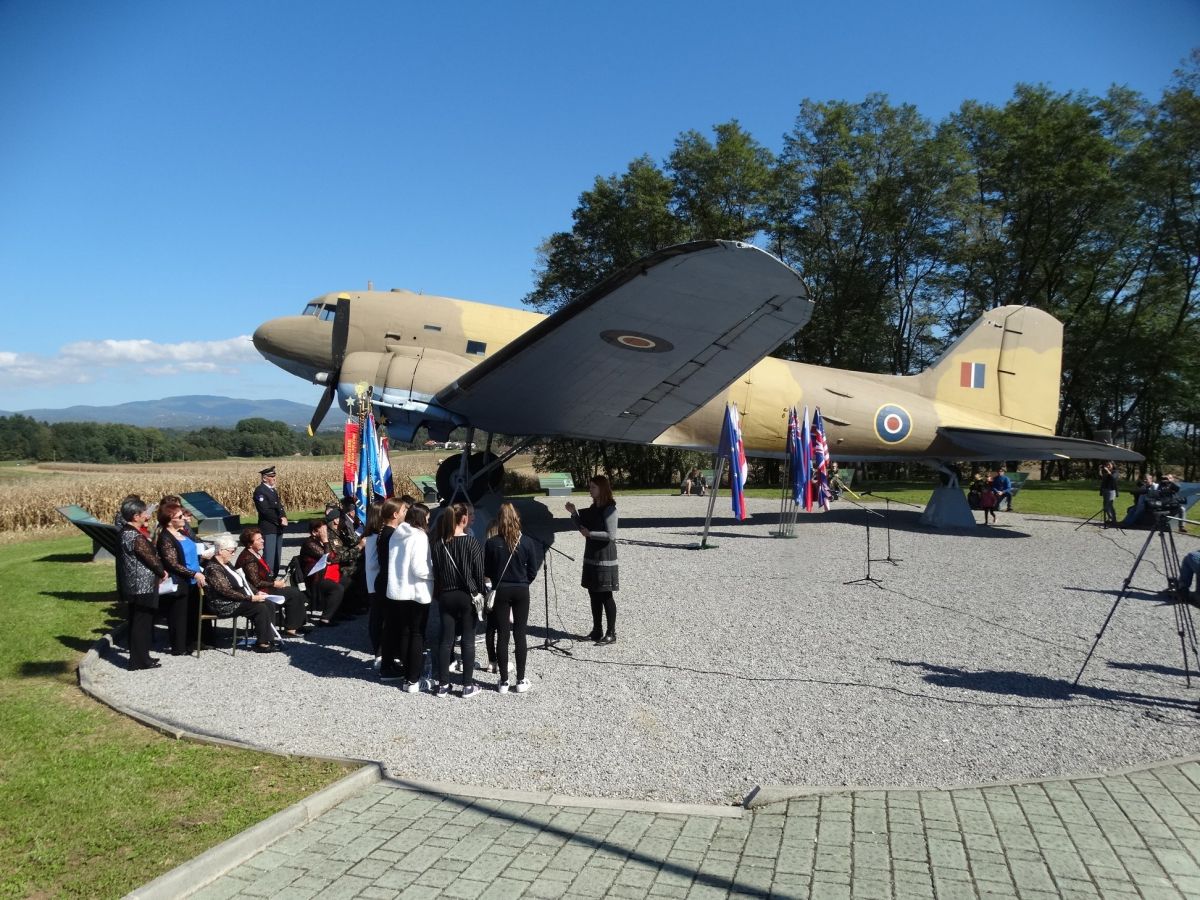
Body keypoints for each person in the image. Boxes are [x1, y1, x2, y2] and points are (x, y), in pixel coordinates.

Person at [484, 502, 543, 693]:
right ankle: (521, 679)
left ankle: (503, 681)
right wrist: (523, 582)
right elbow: (533, 570)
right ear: (517, 519)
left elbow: (487, 571)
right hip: (521, 589)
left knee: (503, 635)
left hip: (501, 589)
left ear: (499, 520)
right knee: (520, 633)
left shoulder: (492, 543)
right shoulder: (526, 542)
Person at [430, 502, 486, 697]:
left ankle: (443, 684)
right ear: (463, 519)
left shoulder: (438, 544)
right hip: (466, 595)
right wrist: (480, 593)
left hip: (446, 594)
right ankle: (467, 685)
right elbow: (479, 573)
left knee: (446, 640)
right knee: (468, 640)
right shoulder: (471, 542)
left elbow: (436, 573)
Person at [382, 505, 434, 691]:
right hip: (416, 591)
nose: (428, 521)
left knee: (405, 632)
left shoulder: (397, 534)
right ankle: (413, 679)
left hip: (398, 591)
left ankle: (406, 674)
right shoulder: (419, 536)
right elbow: (419, 568)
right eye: (427, 518)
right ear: (421, 518)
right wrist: (434, 574)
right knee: (417, 634)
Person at [566, 474, 619, 645]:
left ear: (602, 489)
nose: (590, 490)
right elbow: (583, 528)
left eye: (593, 487)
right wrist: (574, 514)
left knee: (605, 595)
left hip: (604, 557)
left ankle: (611, 633)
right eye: (590, 487)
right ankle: (597, 630)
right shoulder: (593, 507)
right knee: (593, 594)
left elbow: (611, 535)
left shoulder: (610, 509)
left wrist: (591, 534)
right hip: (591, 557)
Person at [202, 534, 278, 651]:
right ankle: (263, 643)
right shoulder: (213, 568)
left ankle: (269, 637)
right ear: (221, 551)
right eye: (231, 551)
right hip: (222, 604)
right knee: (259, 607)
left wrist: (256, 592)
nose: (233, 554)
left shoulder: (227, 564)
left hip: (235, 599)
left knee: (268, 603)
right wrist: (250, 598)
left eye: (234, 551)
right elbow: (225, 591)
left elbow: (243, 581)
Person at [117, 497, 168, 670]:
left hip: (135, 585)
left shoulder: (125, 532)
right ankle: (139, 660)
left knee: (138, 622)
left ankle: (141, 657)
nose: (147, 515)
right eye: (144, 512)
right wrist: (162, 571)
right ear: (136, 516)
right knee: (141, 623)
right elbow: (150, 557)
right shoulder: (134, 535)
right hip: (142, 586)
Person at [235, 527, 309, 637]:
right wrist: (275, 584)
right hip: (259, 592)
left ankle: (295, 625)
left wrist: (275, 581)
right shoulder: (248, 558)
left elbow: (264, 575)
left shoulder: (255, 553)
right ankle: (292, 628)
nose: (262, 540)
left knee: (295, 591)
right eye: (258, 539)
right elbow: (256, 582)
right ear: (250, 544)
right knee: (293, 593)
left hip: (266, 587)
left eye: (262, 538)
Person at [155, 501, 208, 655]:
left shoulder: (182, 533)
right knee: (178, 615)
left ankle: (192, 642)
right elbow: (172, 564)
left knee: (191, 613)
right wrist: (193, 574)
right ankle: (179, 647)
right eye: (179, 517)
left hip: (193, 580)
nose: (183, 518)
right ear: (169, 521)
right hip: (179, 581)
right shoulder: (166, 538)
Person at [299, 518, 344, 626]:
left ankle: (338, 612)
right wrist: (325, 541)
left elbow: (335, 557)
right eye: (323, 531)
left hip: (325, 573)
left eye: (326, 530)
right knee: (337, 588)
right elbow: (328, 557)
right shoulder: (309, 543)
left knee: (347, 581)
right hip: (315, 578)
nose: (326, 533)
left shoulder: (322, 541)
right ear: (314, 532)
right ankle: (325, 618)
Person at [253, 466, 287, 577]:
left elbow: (279, 507)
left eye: (274, 476)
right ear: (264, 478)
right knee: (269, 555)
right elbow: (265, 510)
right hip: (268, 527)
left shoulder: (272, 490)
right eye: (271, 476)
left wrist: (284, 516)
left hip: (278, 527)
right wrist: (279, 520)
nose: (274, 478)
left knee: (277, 555)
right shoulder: (260, 491)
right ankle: (267, 577)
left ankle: (274, 576)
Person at [1099, 462, 1119, 528]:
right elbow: (1102, 478)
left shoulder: (1115, 472)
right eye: (1107, 465)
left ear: (1113, 465)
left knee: (1109, 505)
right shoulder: (1105, 472)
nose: (1107, 466)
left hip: (1111, 490)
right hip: (1105, 490)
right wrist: (1100, 470)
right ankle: (1109, 519)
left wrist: (1108, 471)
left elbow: (1113, 478)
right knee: (1105, 505)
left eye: (1109, 465)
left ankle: (1113, 520)